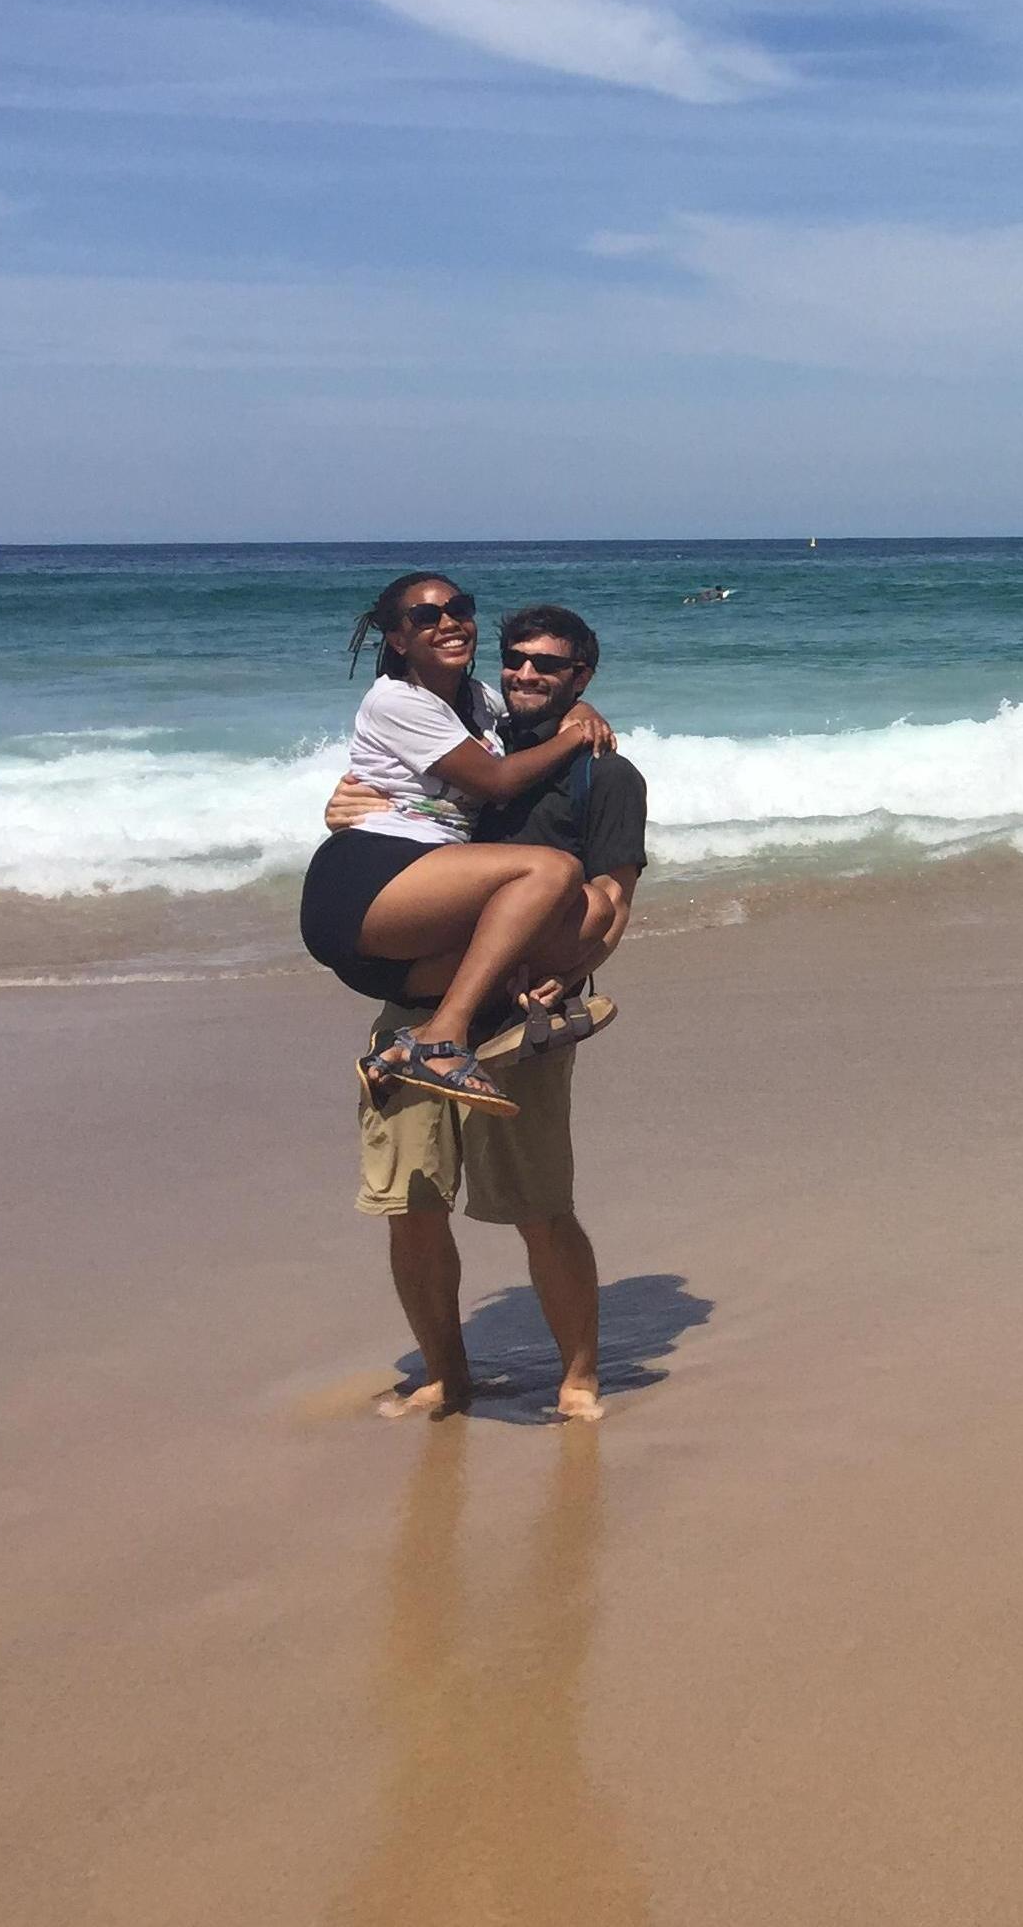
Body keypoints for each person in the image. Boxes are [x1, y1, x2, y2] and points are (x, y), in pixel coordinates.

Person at [325, 603, 648, 1422]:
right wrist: (340, 809)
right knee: (411, 1205)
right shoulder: (465, 743)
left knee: (538, 1208)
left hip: (514, 1022)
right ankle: (445, 1375)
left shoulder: (604, 774)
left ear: (582, 677)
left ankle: (578, 1375)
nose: (526, 674)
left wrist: (575, 972)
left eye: (548, 665)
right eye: (516, 661)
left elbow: (614, 896)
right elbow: (399, 824)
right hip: (415, 1005)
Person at [300, 574, 617, 1121]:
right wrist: (573, 737)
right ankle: (443, 1041)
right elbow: (494, 782)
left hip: (418, 892)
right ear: (398, 640)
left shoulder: (477, 701)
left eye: (458, 608)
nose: (448, 623)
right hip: (367, 879)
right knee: (552, 872)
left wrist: (581, 712)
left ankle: (401, 1048)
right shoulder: (396, 701)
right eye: (425, 617)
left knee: (583, 920)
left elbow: (539, 707)